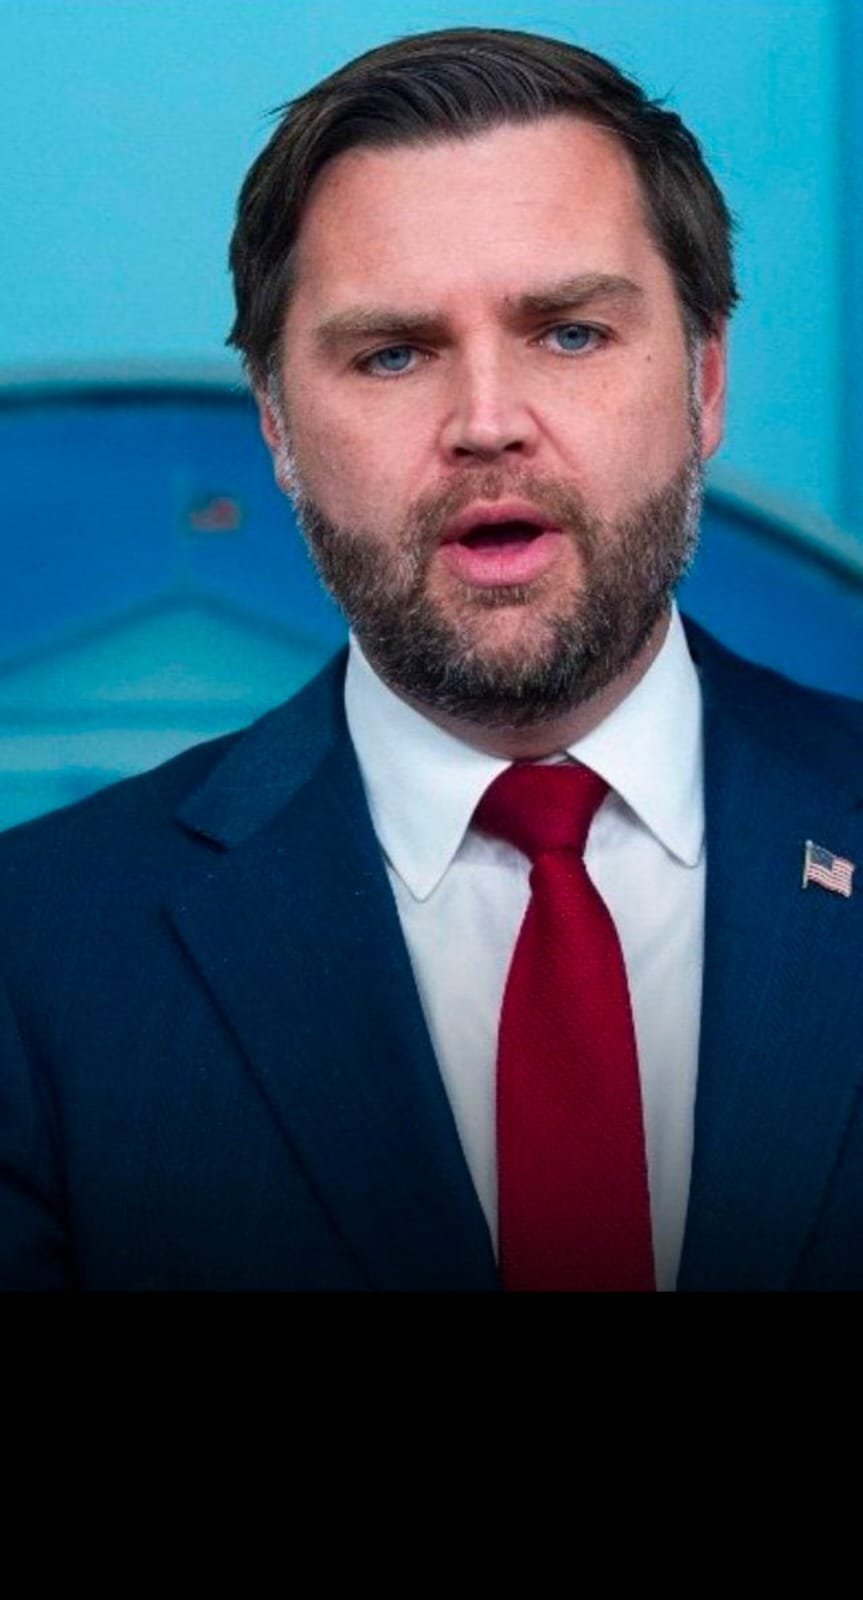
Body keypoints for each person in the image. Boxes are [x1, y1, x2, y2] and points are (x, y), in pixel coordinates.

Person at [2, 26, 862, 1293]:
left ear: (704, 380)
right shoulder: (33, 955)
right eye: (392, 354)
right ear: (276, 425)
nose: (486, 424)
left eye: (568, 333)